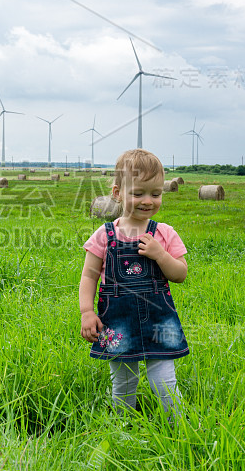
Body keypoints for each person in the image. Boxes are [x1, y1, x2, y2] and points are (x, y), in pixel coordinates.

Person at [79, 148, 189, 422]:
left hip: (158, 319)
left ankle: (178, 424)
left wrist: (160, 255)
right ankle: (122, 425)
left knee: (164, 379)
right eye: (138, 193)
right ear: (116, 193)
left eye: (156, 193)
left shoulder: (164, 233)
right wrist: (86, 311)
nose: (148, 201)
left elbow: (180, 274)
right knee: (123, 381)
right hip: (118, 319)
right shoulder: (104, 235)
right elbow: (89, 276)